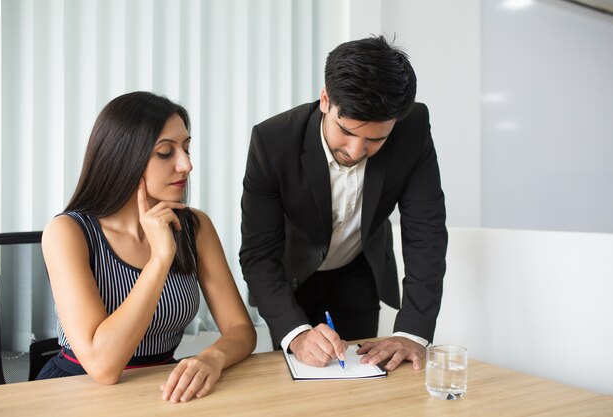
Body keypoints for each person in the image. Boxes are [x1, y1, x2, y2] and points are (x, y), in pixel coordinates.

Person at [240, 35, 447, 371]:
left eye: (375, 140)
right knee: (299, 379)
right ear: (325, 99)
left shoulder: (413, 129)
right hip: (292, 278)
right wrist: (295, 333)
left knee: (360, 378)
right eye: (346, 132)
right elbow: (258, 252)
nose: (355, 151)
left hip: (359, 270)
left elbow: (426, 233)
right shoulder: (272, 142)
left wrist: (412, 333)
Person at [36, 91, 256, 402]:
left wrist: (212, 357)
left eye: (187, 149)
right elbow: (103, 366)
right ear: (124, 157)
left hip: (161, 389)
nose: (186, 165)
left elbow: (240, 329)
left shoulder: (195, 227)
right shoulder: (67, 233)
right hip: (78, 391)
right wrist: (160, 260)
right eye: (166, 153)